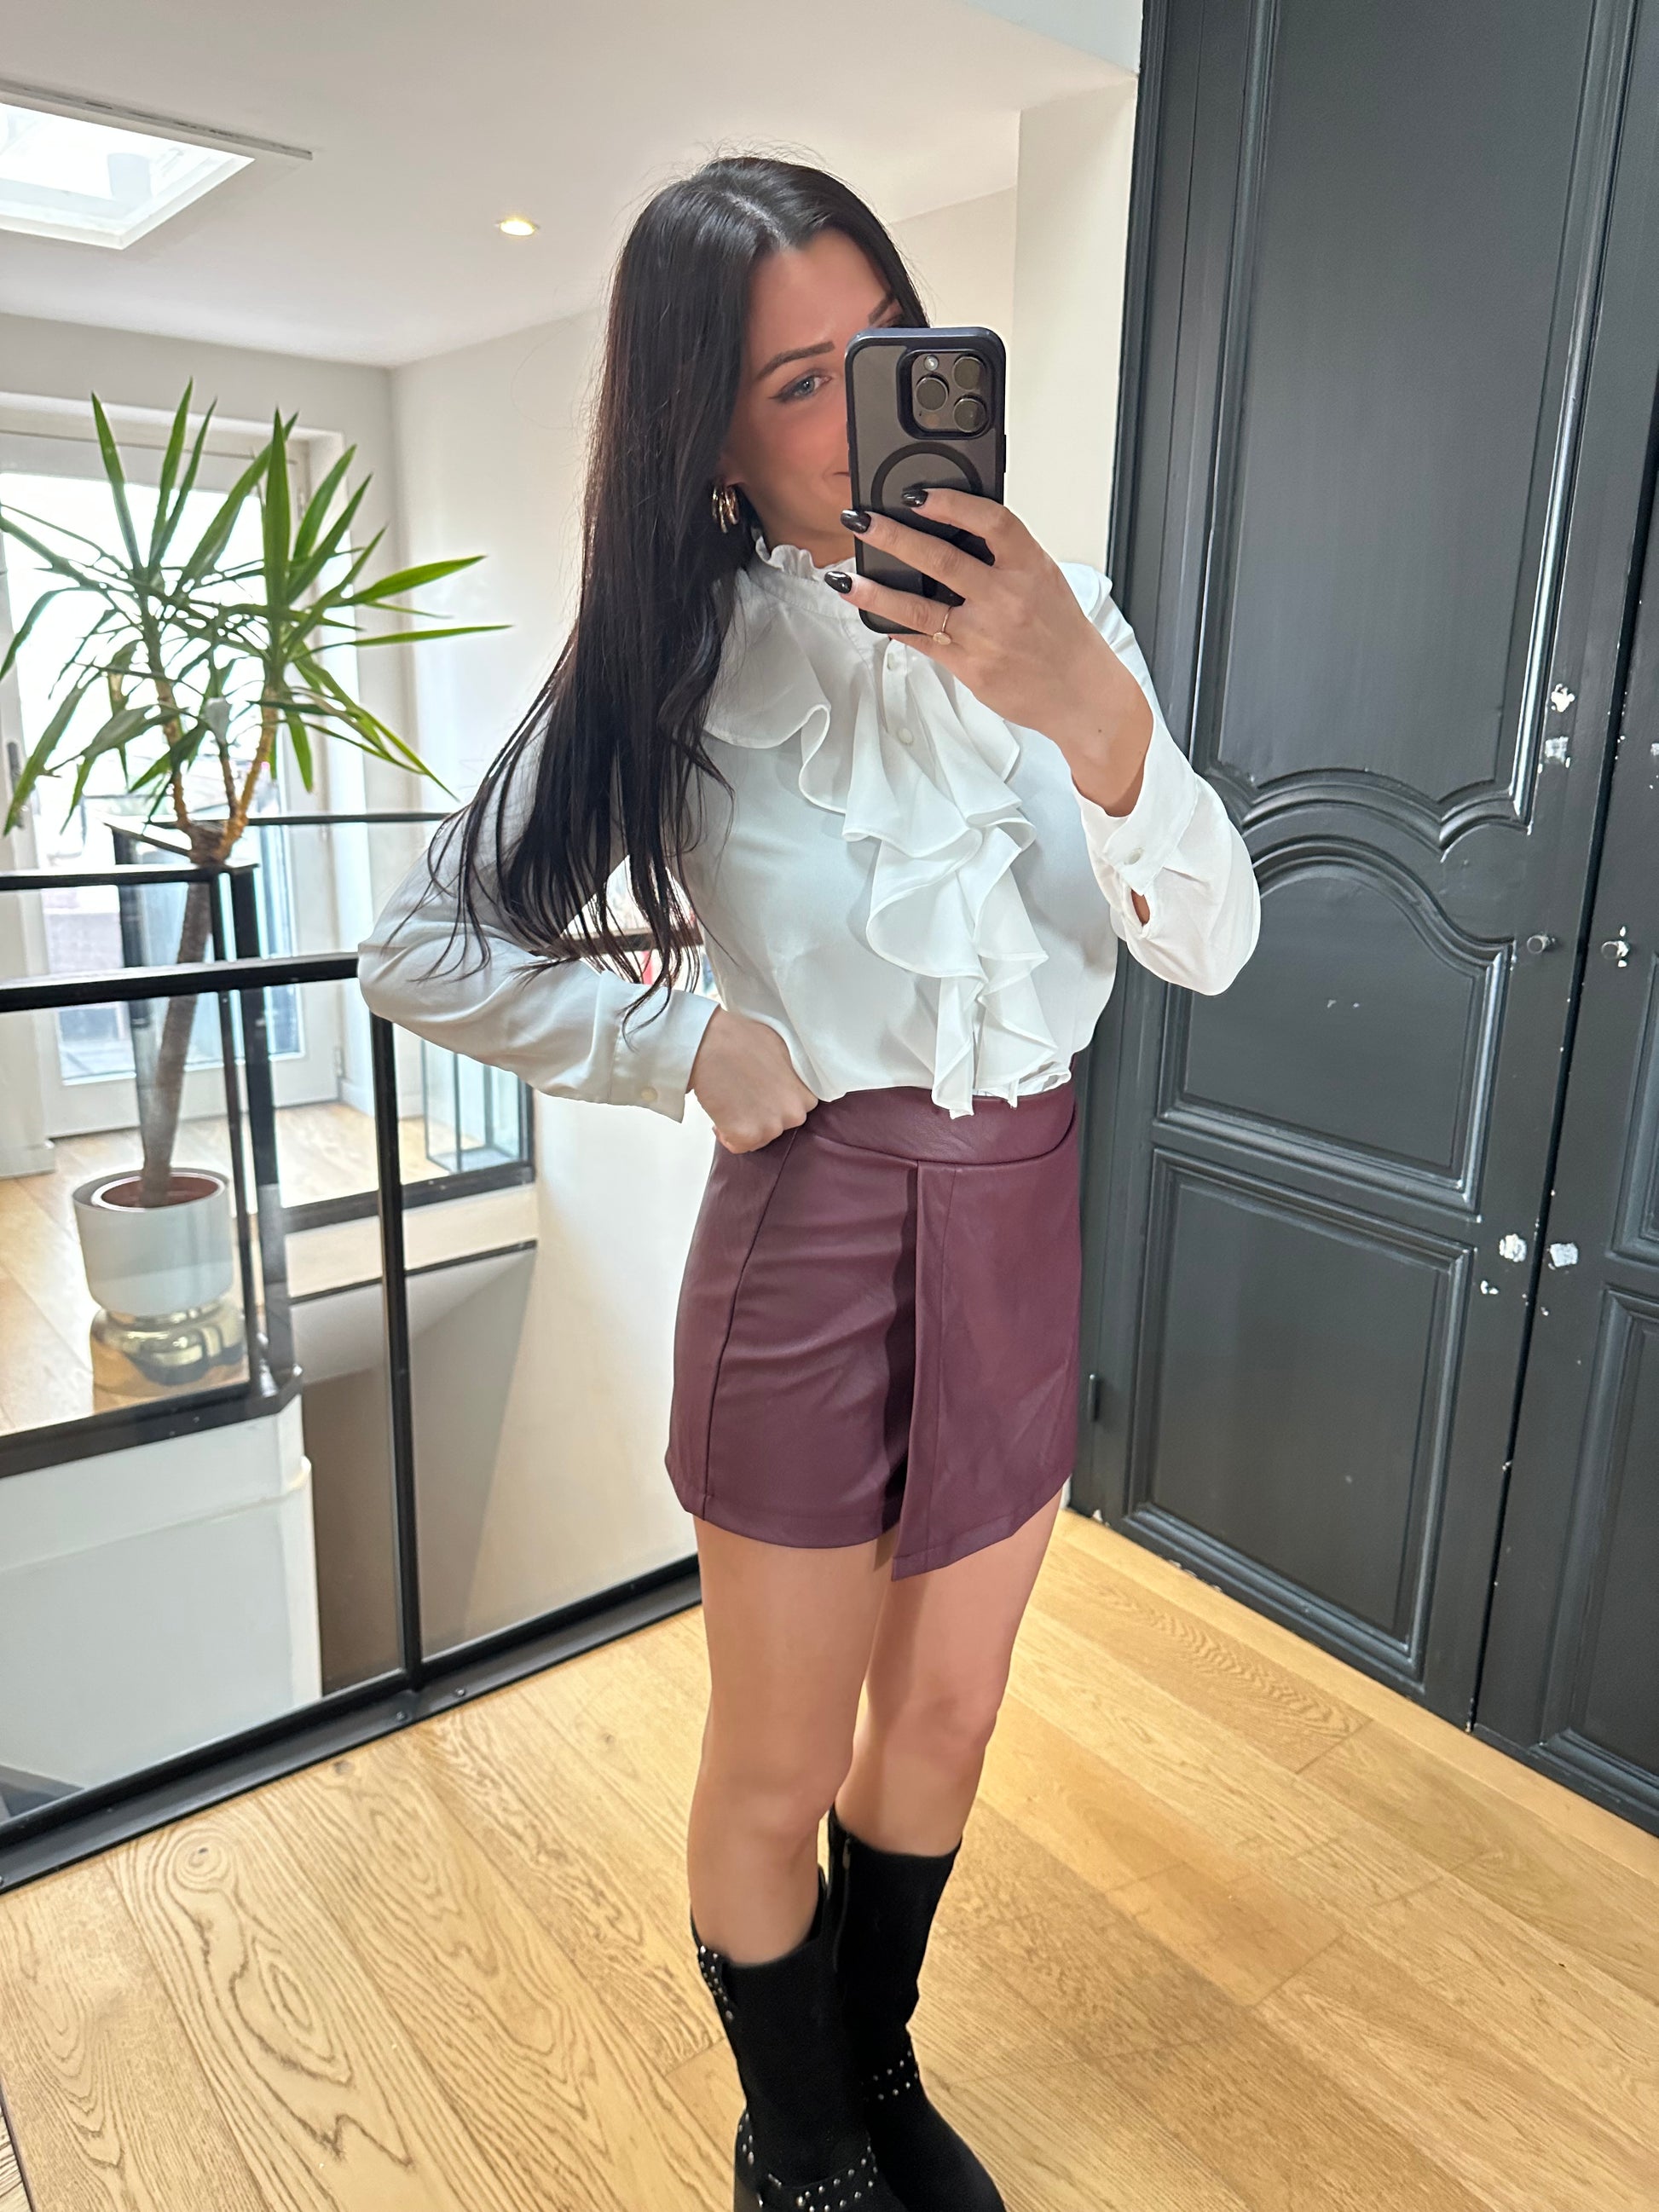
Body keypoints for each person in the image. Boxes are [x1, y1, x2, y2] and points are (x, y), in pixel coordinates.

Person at [357, 153, 1259, 2212]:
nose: (862, 412)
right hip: (812, 1225)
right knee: (772, 1758)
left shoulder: (1061, 615)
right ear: (709, 440)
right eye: (795, 384)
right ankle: (798, 2140)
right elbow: (420, 943)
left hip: (1021, 1206)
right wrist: (675, 1041)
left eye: (887, 350)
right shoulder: (670, 661)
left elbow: (1212, 942)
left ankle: (872, 2059)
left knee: (947, 1711)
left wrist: (1084, 707)